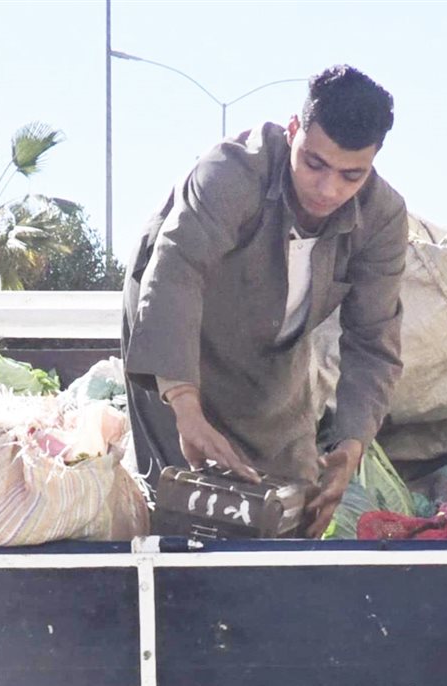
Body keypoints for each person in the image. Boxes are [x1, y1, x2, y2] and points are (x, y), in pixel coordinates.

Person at [122, 64, 408, 538]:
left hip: (276, 353)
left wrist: (351, 445)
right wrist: (185, 406)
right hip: (177, 332)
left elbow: (374, 338)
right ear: (294, 129)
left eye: (351, 175)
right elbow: (176, 273)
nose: (329, 189)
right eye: (314, 164)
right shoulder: (229, 171)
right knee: (186, 503)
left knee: (291, 506)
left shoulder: (384, 218)